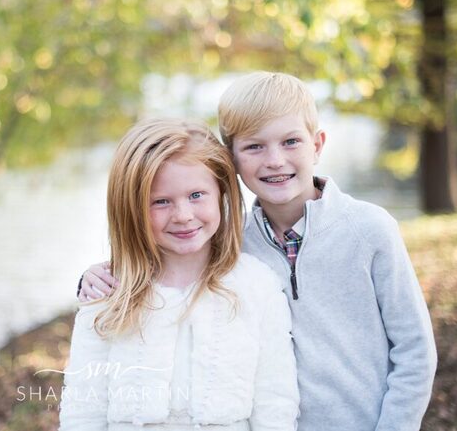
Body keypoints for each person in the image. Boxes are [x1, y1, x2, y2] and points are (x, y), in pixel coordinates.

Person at [79, 73, 438, 431]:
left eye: (290, 142)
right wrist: (95, 277)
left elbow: (414, 351)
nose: (275, 160)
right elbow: (167, 267)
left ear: (317, 145)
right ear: (230, 159)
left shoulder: (369, 230)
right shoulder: (233, 246)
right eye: (254, 147)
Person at [60, 118, 299, 431]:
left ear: (222, 193)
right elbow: (82, 412)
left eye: (197, 195)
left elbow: (276, 405)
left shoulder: (258, 286)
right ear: (131, 208)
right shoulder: (108, 293)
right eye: (161, 202)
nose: (183, 216)